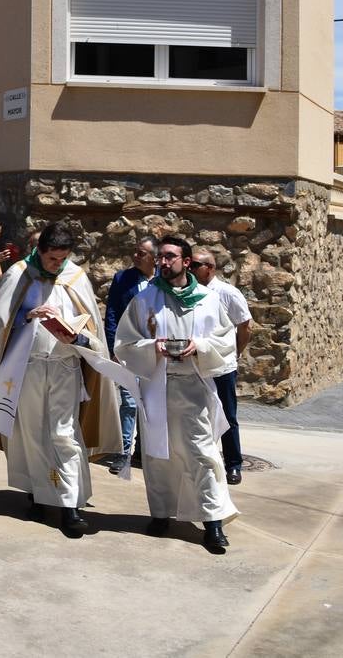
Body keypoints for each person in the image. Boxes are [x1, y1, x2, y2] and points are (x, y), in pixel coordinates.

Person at [0, 223, 122, 537]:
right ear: (40, 251)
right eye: (51, 259)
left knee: (64, 433)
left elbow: (92, 328)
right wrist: (27, 317)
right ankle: (37, 492)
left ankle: (70, 505)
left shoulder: (75, 277)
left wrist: (77, 334)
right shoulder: (19, 273)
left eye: (62, 259)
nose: (56, 266)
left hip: (64, 368)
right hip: (27, 367)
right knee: (30, 433)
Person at [113, 235, 238, 553]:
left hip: (193, 387)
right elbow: (125, 343)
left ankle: (212, 524)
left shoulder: (207, 299)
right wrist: (150, 347)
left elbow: (226, 340)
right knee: (157, 456)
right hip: (157, 387)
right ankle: (160, 515)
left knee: (201, 453)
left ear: (186, 261)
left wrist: (201, 346)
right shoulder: (146, 299)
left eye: (171, 257)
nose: (164, 262)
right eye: (161, 257)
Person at [191, 248, 252, 485]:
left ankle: (233, 465)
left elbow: (245, 326)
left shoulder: (228, 293)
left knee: (227, 415)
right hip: (196, 364)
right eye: (190, 265)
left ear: (210, 268)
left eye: (196, 265)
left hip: (221, 366)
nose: (191, 269)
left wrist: (235, 353)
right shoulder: (188, 293)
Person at [103, 234, 158, 475]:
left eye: (141, 253)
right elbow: (112, 312)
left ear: (154, 258)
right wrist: (114, 346)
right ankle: (122, 452)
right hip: (128, 349)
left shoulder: (163, 282)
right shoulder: (122, 279)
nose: (135, 256)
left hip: (155, 352)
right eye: (135, 251)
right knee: (128, 401)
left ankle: (143, 451)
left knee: (150, 402)